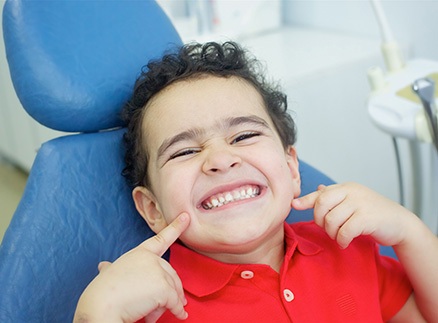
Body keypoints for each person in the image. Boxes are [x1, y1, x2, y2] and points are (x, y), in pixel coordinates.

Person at [74, 41, 438, 322]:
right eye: (184, 152)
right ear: (152, 209)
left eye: (244, 135)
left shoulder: (349, 251)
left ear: (291, 169)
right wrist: (97, 314)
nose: (220, 159)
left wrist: (410, 232)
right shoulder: (157, 304)